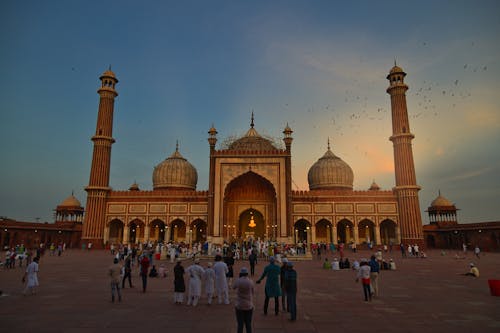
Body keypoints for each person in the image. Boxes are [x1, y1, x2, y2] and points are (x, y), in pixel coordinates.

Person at [233, 267, 254, 333]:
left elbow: (234, 287)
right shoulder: (250, 281)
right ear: (247, 274)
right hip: (249, 305)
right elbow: (252, 292)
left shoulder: (238, 281)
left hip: (240, 305)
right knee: (248, 324)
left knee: (240, 324)